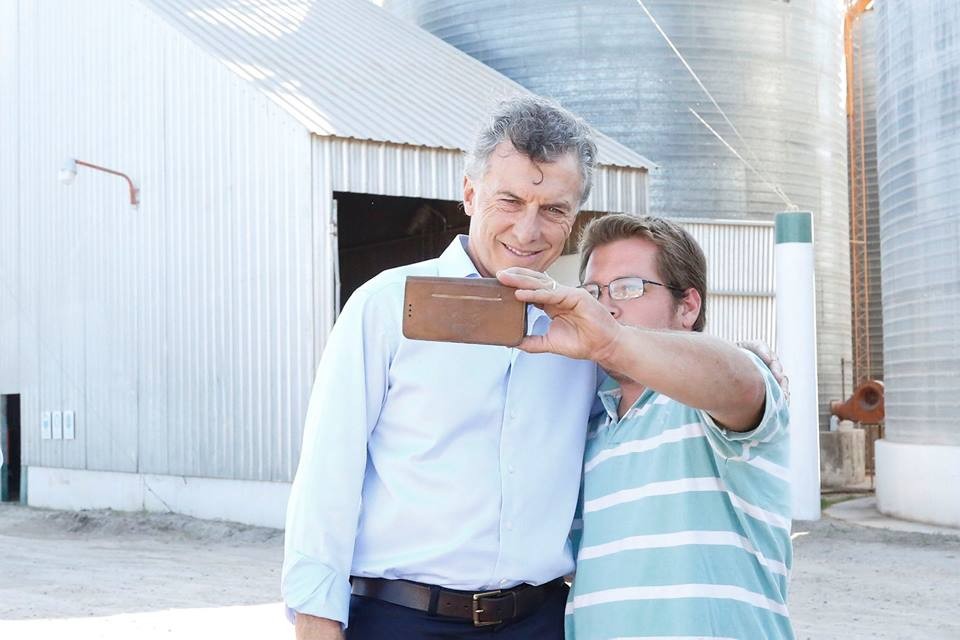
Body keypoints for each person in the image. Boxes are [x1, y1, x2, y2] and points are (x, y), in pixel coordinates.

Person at [283, 96, 603, 639]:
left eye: (554, 209)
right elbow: (327, 475)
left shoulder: (584, 331)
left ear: (574, 217)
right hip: (401, 620)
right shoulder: (386, 305)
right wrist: (316, 621)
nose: (528, 230)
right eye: (510, 200)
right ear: (470, 194)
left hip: (541, 622)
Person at [497, 214, 794, 639]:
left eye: (629, 288)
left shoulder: (706, 405)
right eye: (594, 292)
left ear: (688, 306)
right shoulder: (588, 426)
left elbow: (739, 382)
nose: (606, 307)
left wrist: (613, 341)